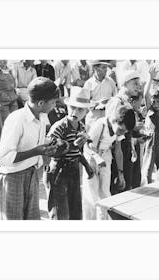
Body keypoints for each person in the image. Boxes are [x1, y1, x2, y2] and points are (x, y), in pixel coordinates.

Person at [0, 77, 59, 220]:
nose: (55, 106)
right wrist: (36, 151)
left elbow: (38, 143)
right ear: (41, 103)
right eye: (53, 102)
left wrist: (51, 145)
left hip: (31, 174)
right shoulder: (17, 119)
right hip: (12, 178)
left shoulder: (42, 117)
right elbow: (3, 158)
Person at [44, 86, 93, 220]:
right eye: (72, 107)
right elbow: (50, 148)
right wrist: (72, 145)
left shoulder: (81, 127)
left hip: (73, 170)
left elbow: (77, 152)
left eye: (80, 109)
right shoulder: (60, 126)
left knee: (75, 210)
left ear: (86, 111)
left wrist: (87, 166)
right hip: (59, 171)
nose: (75, 112)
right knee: (60, 213)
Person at [82, 106, 136, 220]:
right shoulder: (100, 125)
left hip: (105, 156)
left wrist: (121, 174)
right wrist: (97, 158)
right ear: (115, 121)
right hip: (91, 158)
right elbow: (86, 146)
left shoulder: (119, 129)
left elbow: (118, 151)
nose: (122, 133)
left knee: (105, 194)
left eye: (124, 131)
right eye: (121, 130)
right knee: (91, 196)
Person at [106, 70, 142, 191]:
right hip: (117, 148)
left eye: (139, 83)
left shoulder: (127, 101)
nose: (138, 86)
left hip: (126, 146)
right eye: (135, 83)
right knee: (118, 185)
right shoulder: (117, 101)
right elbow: (113, 128)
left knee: (129, 182)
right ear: (125, 83)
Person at [83, 60, 117, 132]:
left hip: (108, 116)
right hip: (93, 117)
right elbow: (84, 104)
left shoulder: (111, 82)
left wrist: (109, 102)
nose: (106, 70)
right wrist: (98, 103)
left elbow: (116, 99)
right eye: (103, 67)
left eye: (106, 67)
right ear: (96, 68)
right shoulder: (88, 84)